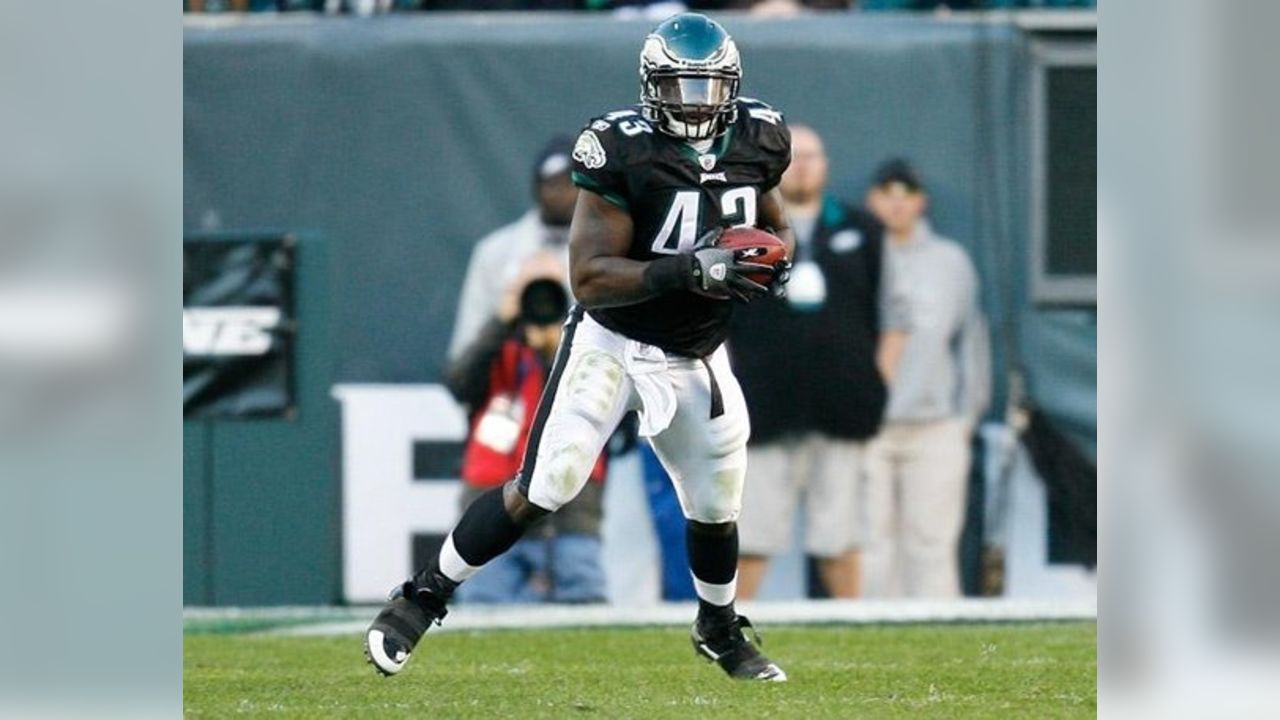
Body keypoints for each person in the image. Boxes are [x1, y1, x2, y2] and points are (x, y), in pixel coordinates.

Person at [365, 13, 794, 682]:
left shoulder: (762, 137)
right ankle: (420, 597)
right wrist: (690, 269)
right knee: (549, 480)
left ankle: (718, 626)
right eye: (681, 88)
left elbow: (770, 221)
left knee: (716, 504)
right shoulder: (620, 148)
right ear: (652, 89)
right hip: (614, 340)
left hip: (698, 351)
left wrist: (775, 258)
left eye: (709, 89)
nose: (696, 105)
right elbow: (590, 278)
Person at [730, 126, 907, 600]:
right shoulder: (744, 233)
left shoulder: (862, 229)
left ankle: (854, 637)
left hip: (841, 408)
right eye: (794, 156)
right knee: (751, 538)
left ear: (826, 164)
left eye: (813, 155)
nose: (804, 165)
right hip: (764, 408)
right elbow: (720, 317)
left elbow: (893, 316)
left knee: (841, 538)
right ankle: (731, 633)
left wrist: (876, 384)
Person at [862, 158, 991, 598]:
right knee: (870, 549)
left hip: (935, 425)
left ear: (921, 203)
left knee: (932, 546)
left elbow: (970, 340)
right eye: (887, 197)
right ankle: (870, 660)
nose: (896, 207)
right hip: (868, 429)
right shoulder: (857, 252)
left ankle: (941, 655)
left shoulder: (950, 261)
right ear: (872, 201)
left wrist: (965, 418)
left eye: (906, 197)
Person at [445, 276, 608, 604]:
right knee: (483, 614)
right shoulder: (496, 348)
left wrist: (559, 346)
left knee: (583, 609)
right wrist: (499, 323)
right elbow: (459, 383)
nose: (540, 305)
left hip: (571, 515)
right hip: (492, 505)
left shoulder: (586, 347)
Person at [447, 136, 580, 361]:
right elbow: (461, 361)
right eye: (552, 183)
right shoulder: (495, 252)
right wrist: (505, 319)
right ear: (536, 188)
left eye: (571, 183)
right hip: (508, 384)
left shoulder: (609, 253)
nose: (562, 193)